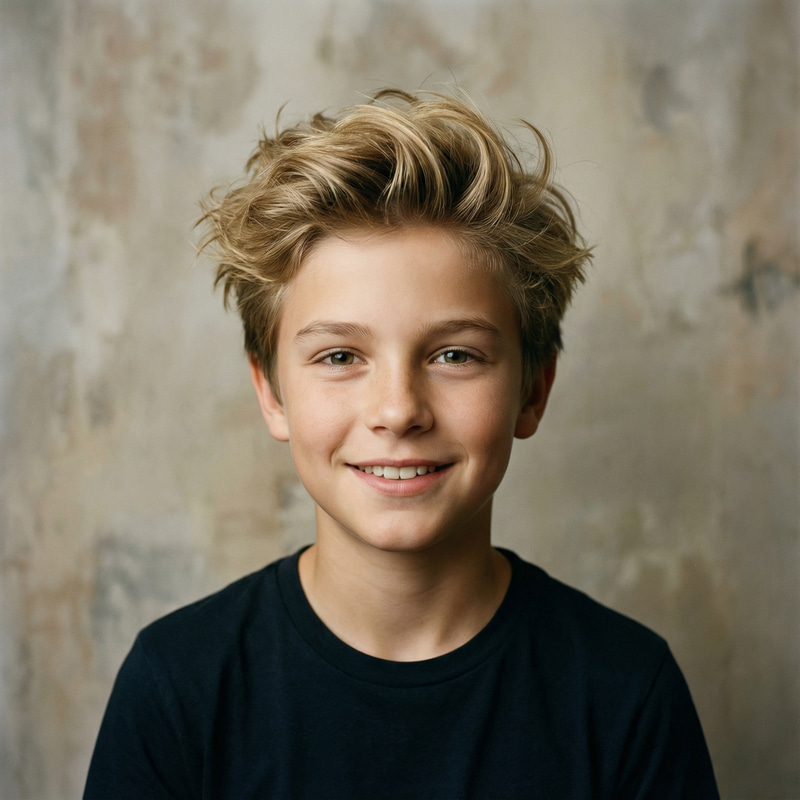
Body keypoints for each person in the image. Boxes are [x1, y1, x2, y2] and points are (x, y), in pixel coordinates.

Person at [84, 89, 719, 799]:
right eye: (339, 357)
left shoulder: (626, 694)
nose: (398, 411)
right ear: (271, 392)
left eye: (455, 355)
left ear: (532, 391)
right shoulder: (179, 689)